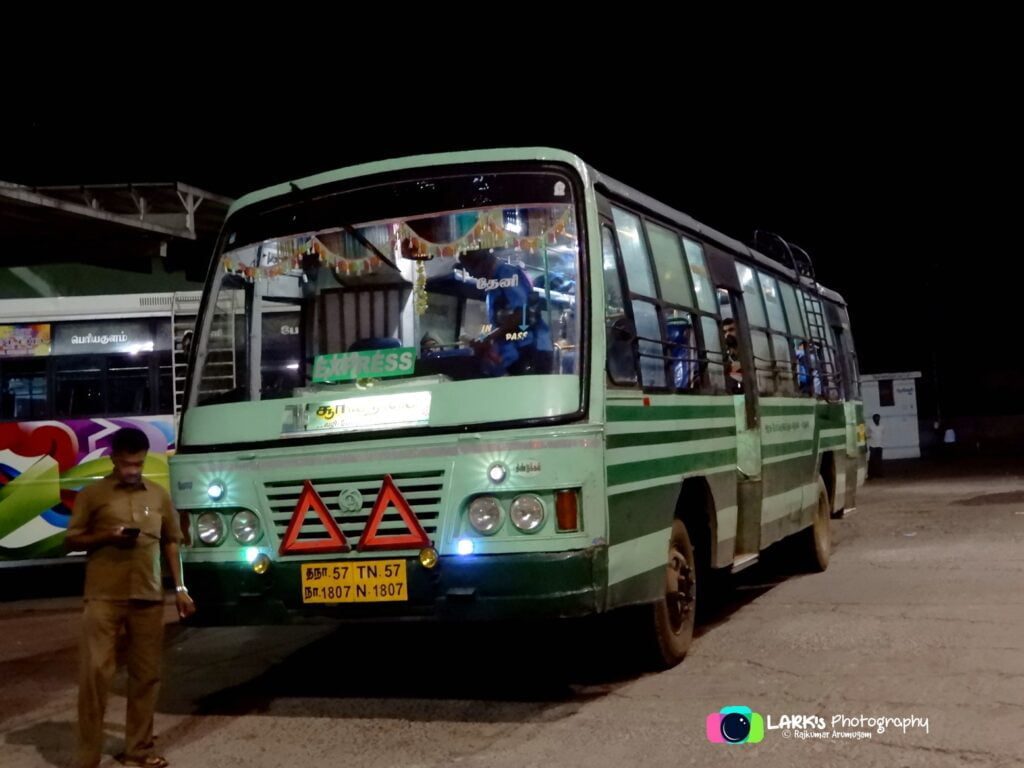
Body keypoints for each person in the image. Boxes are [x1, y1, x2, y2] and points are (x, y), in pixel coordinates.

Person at [65, 427, 195, 768]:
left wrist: (180, 589)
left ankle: (138, 750)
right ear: (113, 459)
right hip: (103, 598)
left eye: (138, 464)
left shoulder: (158, 494)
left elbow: (171, 542)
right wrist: (106, 535)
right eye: (126, 464)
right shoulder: (93, 495)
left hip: (149, 598)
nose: (132, 470)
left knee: (147, 676)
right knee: (95, 675)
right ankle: (86, 757)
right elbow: (72, 539)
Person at [457, 249, 553, 375]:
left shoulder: (507, 274)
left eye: (470, 270)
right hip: (517, 356)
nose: (472, 275)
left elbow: (521, 315)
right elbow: (501, 325)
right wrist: (482, 338)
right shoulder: (493, 286)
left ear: (482, 263)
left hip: (531, 351)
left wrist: (488, 338)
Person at [721, 316, 743, 393]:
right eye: (725, 332)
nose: (728, 334)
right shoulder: (725, 354)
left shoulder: (747, 352)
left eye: (731, 330)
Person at [866, 413, 885, 479]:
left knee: (879, 461)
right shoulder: (870, 426)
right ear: (873, 419)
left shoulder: (882, 426)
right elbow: (867, 435)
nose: (877, 419)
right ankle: (870, 475)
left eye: (878, 418)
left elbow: (882, 434)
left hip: (880, 445)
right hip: (873, 445)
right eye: (875, 418)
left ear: (879, 418)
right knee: (872, 461)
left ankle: (879, 474)